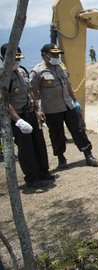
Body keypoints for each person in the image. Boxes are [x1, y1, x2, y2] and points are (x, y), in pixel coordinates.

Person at [29, 43, 98, 169]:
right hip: (52, 109)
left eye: (57, 54)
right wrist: (38, 110)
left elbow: (68, 84)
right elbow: (32, 93)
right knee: (57, 134)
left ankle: (88, 155)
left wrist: (75, 101)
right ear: (45, 55)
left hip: (68, 105)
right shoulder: (37, 71)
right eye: (53, 54)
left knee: (79, 129)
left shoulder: (61, 67)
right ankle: (61, 158)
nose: (56, 56)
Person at [1, 44, 58, 188]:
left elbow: (29, 92)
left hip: (31, 113)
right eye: (13, 58)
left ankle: (43, 172)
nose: (16, 61)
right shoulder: (3, 75)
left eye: (18, 58)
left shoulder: (22, 71)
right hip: (19, 116)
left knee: (39, 144)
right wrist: (18, 121)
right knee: (26, 149)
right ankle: (32, 178)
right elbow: (4, 101)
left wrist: (38, 110)